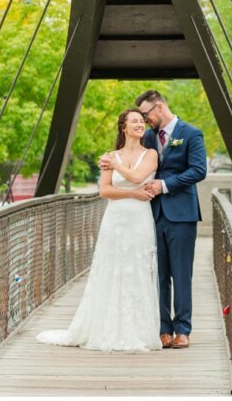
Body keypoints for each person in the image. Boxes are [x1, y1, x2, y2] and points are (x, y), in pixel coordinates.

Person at [35, 109, 162, 351]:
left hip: (139, 220)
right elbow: (105, 191)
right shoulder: (109, 157)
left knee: (136, 269)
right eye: (133, 121)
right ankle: (105, 328)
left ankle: (136, 331)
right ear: (123, 127)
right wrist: (130, 193)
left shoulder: (151, 155)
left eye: (141, 121)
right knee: (111, 268)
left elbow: (137, 177)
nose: (139, 124)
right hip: (114, 219)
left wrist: (117, 166)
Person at [102, 90, 206, 349]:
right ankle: (162, 328)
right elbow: (130, 158)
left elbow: (198, 170)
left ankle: (183, 329)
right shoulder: (147, 136)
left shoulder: (191, 134)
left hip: (181, 213)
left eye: (147, 115)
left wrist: (165, 185)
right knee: (157, 273)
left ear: (159, 108)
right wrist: (108, 160)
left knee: (182, 273)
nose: (145, 121)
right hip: (150, 213)